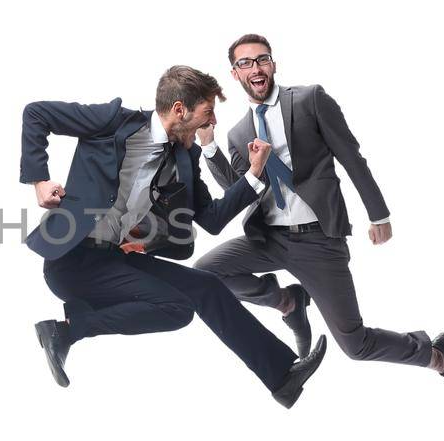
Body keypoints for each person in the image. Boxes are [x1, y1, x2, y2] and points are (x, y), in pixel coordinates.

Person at [195, 34, 444, 401]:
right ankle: (286, 302)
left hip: (317, 239)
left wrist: (378, 214)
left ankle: (440, 358)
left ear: (273, 64)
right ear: (235, 74)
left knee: (355, 345)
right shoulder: (238, 132)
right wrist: (207, 144)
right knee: (205, 273)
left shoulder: (310, 99)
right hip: (267, 238)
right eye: (245, 63)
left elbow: (350, 155)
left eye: (261, 59)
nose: (256, 68)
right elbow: (238, 188)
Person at [24, 65, 326, 408]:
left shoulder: (185, 156)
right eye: (207, 113)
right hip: (71, 261)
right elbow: (36, 114)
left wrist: (255, 175)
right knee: (177, 309)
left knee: (207, 286)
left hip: (111, 258)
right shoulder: (114, 122)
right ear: (179, 110)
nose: (211, 123)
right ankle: (68, 330)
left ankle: (283, 378)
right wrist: (40, 181)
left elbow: (211, 218)